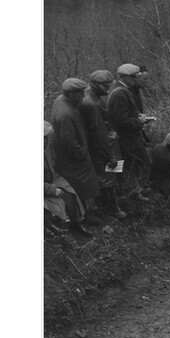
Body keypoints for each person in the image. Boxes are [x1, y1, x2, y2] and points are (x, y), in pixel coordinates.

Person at [50, 78, 101, 221]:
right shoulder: (65, 113)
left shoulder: (62, 101)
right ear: (71, 94)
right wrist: (82, 154)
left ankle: (87, 211)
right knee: (83, 184)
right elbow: (69, 142)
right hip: (73, 158)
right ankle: (86, 214)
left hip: (68, 155)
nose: (83, 97)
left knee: (82, 183)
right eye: (80, 93)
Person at [80, 70, 127, 219]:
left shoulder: (94, 97)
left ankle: (110, 205)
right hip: (103, 147)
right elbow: (99, 133)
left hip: (105, 143)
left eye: (109, 85)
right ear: (95, 84)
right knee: (108, 177)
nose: (108, 89)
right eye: (105, 86)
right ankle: (112, 208)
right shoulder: (93, 104)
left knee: (109, 175)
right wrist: (110, 155)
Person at [107, 64, 152, 201]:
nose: (135, 79)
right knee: (132, 164)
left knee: (133, 164)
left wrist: (137, 116)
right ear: (123, 77)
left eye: (136, 77)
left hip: (129, 136)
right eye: (133, 77)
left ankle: (136, 190)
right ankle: (133, 193)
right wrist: (139, 122)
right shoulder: (119, 94)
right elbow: (121, 121)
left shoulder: (123, 90)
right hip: (126, 138)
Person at [44, 120, 92, 237]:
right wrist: (52, 190)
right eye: (43, 138)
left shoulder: (47, 147)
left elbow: (53, 165)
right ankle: (53, 229)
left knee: (70, 192)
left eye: (46, 137)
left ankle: (77, 222)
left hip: (52, 179)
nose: (46, 141)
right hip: (44, 187)